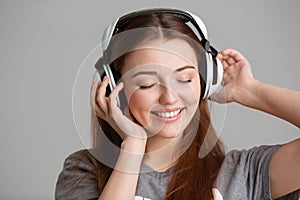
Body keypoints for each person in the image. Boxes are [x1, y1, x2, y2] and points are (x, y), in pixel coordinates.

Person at [55, 8, 300, 200]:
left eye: (184, 79)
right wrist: (132, 148)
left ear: (206, 81)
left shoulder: (243, 173)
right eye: (147, 84)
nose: (170, 97)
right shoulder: (84, 172)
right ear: (114, 89)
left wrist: (250, 91)